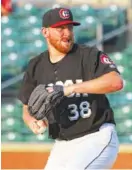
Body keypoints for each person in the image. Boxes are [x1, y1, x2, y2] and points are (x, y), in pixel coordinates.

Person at [18, 7, 123, 170]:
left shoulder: (88, 55)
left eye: (69, 27)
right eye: (60, 28)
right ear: (45, 32)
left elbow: (115, 82)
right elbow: (27, 107)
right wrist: (33, 120)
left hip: (96, 136)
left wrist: (70, 88)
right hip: (62, 144)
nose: (67, 33)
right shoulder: (36, 66)